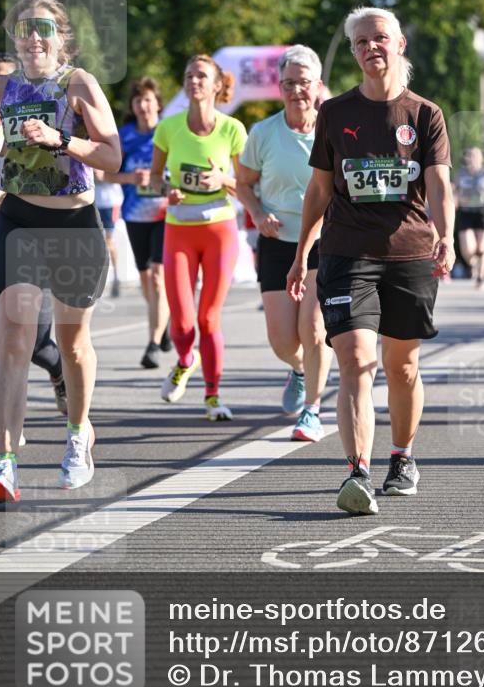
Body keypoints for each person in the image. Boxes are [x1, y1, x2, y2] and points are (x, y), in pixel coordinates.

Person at [287, 6, 454, 515]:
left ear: (399, 44)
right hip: (346, 251)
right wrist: (301, 254)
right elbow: (319, 189)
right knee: (356, 361)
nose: (370, 48)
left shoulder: (425, 114)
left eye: (379, 38)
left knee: (401, 366)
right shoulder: (335, 113)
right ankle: (357, 471)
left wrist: (446, 235)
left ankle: (401, 457)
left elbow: (440, 182)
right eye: (360, 42)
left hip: (409, 252)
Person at [0, 0, 120, 503]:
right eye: (23, 28)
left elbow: (112, 154)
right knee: (13, 336)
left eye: (43, 28)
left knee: (73, 341)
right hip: (18, 222)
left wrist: (63, 140)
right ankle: (5, 464)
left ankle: (78, 435)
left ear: (61, 37)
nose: (33, 37)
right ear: (14, 36)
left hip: (74, 224)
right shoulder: (2, 85)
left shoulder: (78, 84)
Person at [237, 45, 332, 442]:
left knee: (313, 330)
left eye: (304, 83)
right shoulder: (263, 133)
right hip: (277, 241)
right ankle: (299, 370)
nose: (297, 91)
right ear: (280, 88)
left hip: (324, 240)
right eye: (289, 83)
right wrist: (258, 214)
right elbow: (242, 183)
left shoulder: (335, 130)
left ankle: (312, 409)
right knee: (282, 340)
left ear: (318, 86)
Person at [0, 53, 68, 445]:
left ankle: (60, 370)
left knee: (36, 340)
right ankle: (10, 428)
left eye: (5, 77)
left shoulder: (40, 125)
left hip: (34, 238)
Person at [151, 54, 246, 417]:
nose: (194, 81)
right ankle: (185, 359)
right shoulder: (168, 127)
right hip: (179, 229)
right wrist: (168, 190)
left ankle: (213, 395)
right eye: (189, 75)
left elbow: (248, 187)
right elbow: (156, 177)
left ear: (217, 85)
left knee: (208, 318)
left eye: (202, 76)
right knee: (182, 321)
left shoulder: (233, 129)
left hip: (220, 230)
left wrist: (223, 179)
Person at [105, 77, 171, 368]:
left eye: (148, 99)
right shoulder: (124, 135)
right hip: (134, 214)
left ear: (158, 103)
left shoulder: (169, 131)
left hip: (167, 214)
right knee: (146, 278)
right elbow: (105, 174)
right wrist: (132, 178)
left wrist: (164, 181)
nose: (143, 106)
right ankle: (163, 322)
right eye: (137, 101)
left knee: (158, 275)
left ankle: (153, 344)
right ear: (132, 106)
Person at [453, 146, 484, 289]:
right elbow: (454, 190)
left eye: (476, 156)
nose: (473, 158)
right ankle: (474, 265)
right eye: (470, 155)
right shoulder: (461, 174)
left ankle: (481, 278)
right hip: (466, 212)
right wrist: (454, 201)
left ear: (481, 159)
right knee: (468, 250)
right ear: (466, 158)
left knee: (482, 248)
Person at [94, 174, 123, 297]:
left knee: (108, 241)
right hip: (92, 202)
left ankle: (116, 277)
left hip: (110, 203)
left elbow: (106, 174)